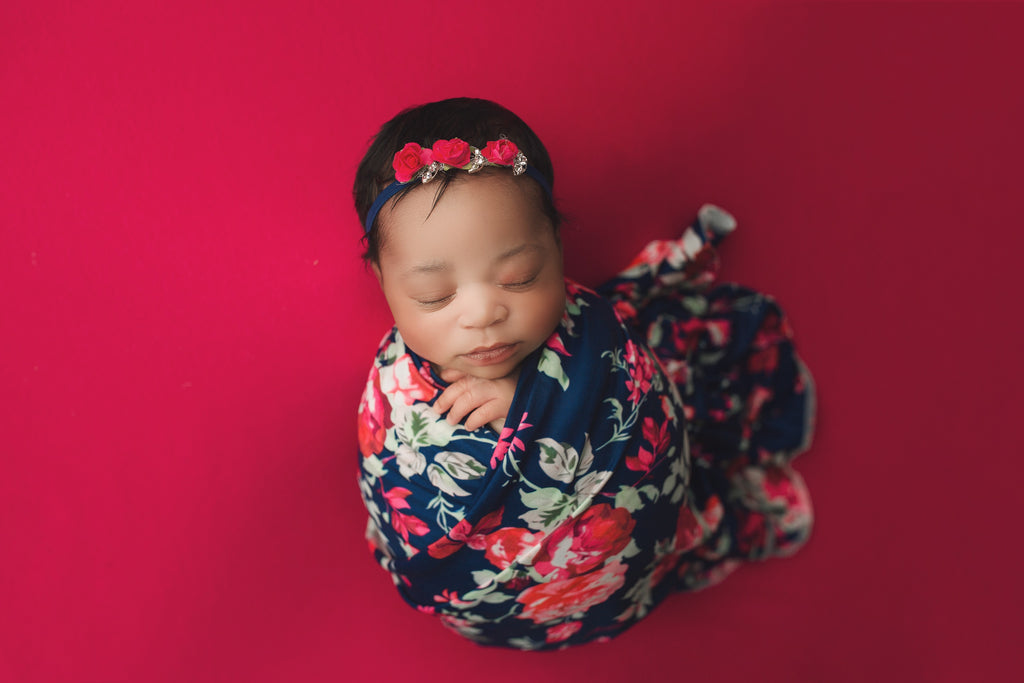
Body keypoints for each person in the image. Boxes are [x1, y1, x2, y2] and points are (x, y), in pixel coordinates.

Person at [353, 97, 815, 650]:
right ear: (383, 280)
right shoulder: (392, 392)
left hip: (616, 561)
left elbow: (640, 407)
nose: (481, 315)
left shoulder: (589, 329)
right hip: (499, 601)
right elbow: (395, 489)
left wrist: (537, 403)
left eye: (520, 277)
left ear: (556, 246)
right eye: (434, 295)